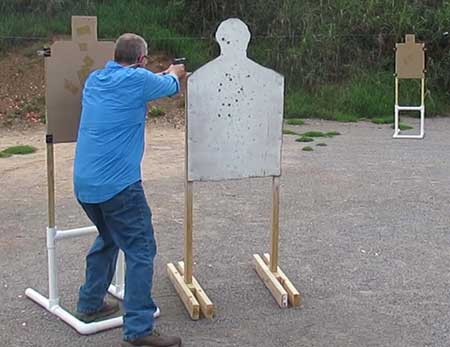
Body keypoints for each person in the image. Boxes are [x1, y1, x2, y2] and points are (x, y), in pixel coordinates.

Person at [73, 33, 185, 347]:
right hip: (119, 186)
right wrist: (175, 72)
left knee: (109, 237)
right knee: (140, 249)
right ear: (141, 59)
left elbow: (143, 80)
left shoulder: (96, 79)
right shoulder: (138, 80)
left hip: (84, 185)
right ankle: (138, 329)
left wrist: (156, 74)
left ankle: (90, 303)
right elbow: (171, 84)